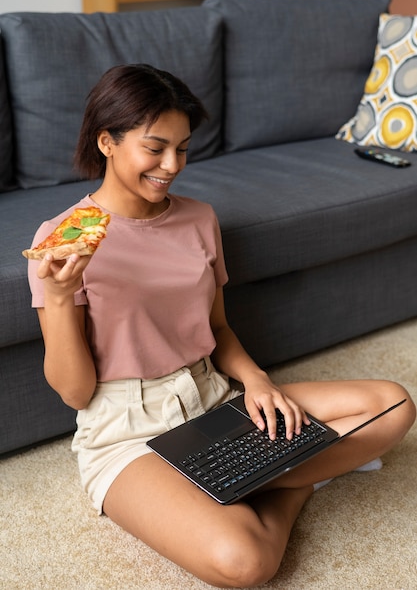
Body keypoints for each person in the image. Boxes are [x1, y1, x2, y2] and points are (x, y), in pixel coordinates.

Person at [27, 64, 415, 589]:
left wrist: (258, 383)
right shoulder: (61, 239)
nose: (171, 165)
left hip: (212, 401)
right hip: (126, 431)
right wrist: (57, 292)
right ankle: (293, 487)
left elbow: (218, 329)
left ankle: (243, 478)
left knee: (393, 405)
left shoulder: (199, 218)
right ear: (107, 142)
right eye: (155, 147)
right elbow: (74, 393)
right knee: (245, 562)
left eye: (183, 149)